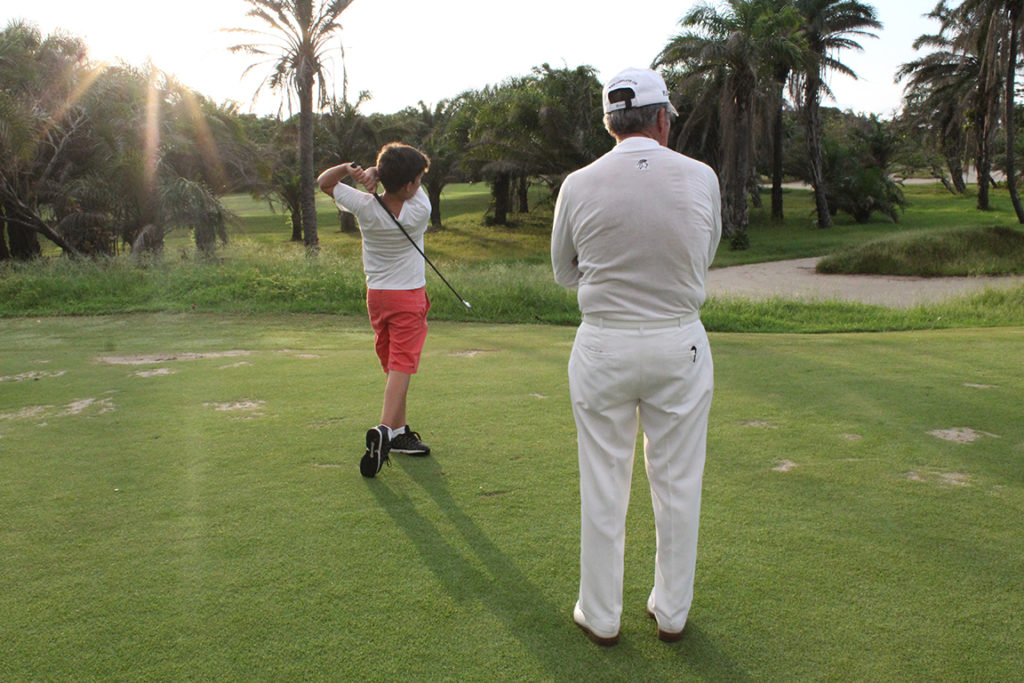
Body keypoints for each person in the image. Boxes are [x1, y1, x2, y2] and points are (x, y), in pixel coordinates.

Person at [551, 67, 722, 646]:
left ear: (609, 123)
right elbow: (706, 255)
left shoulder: (578, 183)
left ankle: (600, 615)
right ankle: (671, 612)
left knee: (603, 482)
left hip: (602, 342)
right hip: (681, 341)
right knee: (678, 482)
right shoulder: (702, 177)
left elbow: (563, 271)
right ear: (662, 118)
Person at [317, 143, 434, 478]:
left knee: (394, 366)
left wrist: (353, 169)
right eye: (417, 179)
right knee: (401, 366)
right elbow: (412, 182)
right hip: (408, 297)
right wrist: (377, 173)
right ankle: (384, 429)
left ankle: (398, 435)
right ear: (411, 185)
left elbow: (324, 182)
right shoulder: (419, 209)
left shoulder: (364, 206)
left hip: (378, 297)